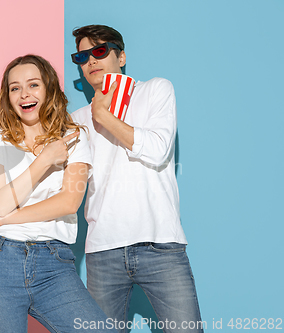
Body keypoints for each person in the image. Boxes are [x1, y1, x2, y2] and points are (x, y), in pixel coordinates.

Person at [69, 25, 204, 333]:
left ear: (122, 56)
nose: (91, 60)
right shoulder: (77, 120)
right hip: (103, 251)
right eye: (82, 56)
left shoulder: (155, 90)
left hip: (160, 243)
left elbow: (157, 150)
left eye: (100, 51)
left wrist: (103, 117)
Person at [0, 55, 115, 333]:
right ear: (8, 96)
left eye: (33, 85)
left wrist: (3, 220)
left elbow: (68, 203)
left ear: (48, 89)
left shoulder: (74, 137)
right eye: (15, 88)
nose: (24, 94)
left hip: (54, 264)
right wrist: (46, 158)